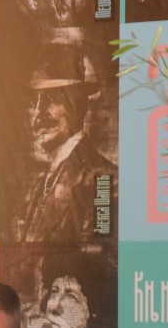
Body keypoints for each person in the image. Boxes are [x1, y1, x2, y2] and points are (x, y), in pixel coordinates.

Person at [12, 36, 115, 242]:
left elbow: (95, 256)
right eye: (33, 102)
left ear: (79, 105)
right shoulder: (39, 182)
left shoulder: (102, 180)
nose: (37, 114)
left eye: (51, 99)